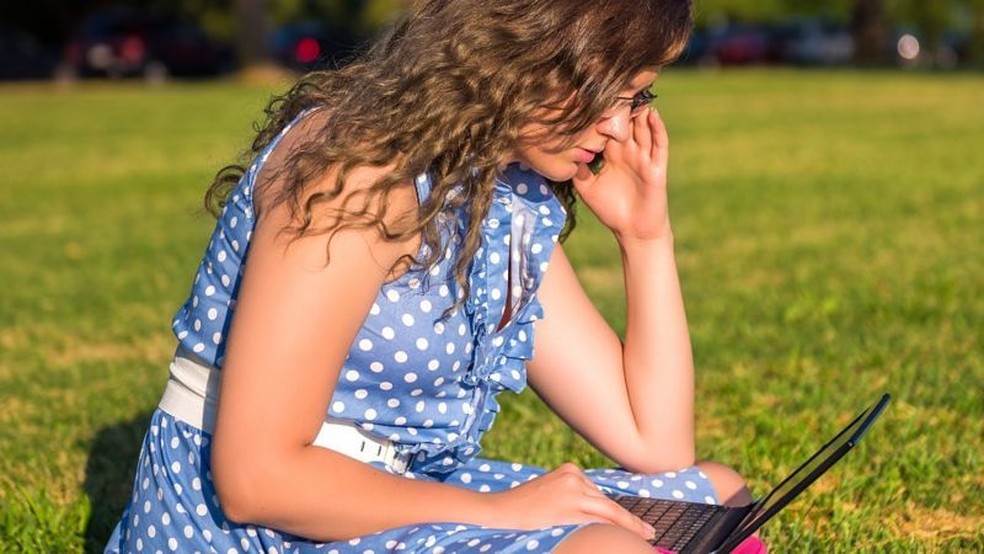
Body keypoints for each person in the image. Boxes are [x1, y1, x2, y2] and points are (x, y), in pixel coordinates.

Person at [105, 0, 758, 552]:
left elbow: (656, 443)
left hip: (392, 496)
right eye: (604, 92)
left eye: (637, 94)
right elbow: (257, 478)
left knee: (717, 494)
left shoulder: (499, 192)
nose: (619, 128)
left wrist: (645, 239)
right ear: (525, 48)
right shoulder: (360, 173)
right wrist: (507, 513)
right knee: (605, 547)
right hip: (255, 526)